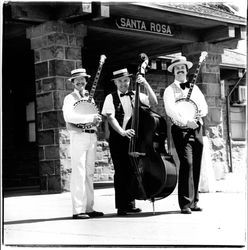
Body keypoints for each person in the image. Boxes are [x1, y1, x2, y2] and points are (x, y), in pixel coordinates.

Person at [101, 68, 158, 215]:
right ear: (115, 83)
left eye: (125, 80)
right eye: (119, 81)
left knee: (133, 170)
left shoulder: (136, 94)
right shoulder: (110, 97)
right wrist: (122, 132)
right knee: (121, 171)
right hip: (118, 138)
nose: (123, 83)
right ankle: (121, 206)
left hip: (134, 138)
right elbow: (110, 117)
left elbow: (154, 102)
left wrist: (145, 83)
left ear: (130, 81)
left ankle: (130, 204)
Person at [163, 56, 208, 214]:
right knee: (187, 163)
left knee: (196, 163)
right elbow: (171, 111)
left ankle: (195, 201)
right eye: (177, 68)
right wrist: (186, 121)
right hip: (181, 129)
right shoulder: (169, 90)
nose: (180, 70)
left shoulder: (194, 88)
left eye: (182, 68)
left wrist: (200, 113)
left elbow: (203, 106)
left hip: (196, 128)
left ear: (186, 70)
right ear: (174, 72)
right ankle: (185, 204)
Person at [62, 68, 104, 219]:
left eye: (83, 79)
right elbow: (69, 116)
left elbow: (93, 116)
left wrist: (96, 119)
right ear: (73, 82)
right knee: (79, 172)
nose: (80, 82)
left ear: (86, 81)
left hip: (91, 137)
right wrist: (90, 118)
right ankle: (78, 210)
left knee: (89, 173)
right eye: (77, 80)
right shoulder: (69, 98)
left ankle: (89, 208)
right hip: (78, 137)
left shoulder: (89, 99)